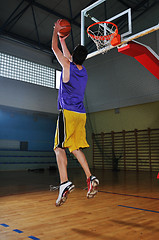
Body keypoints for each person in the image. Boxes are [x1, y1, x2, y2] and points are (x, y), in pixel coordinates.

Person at [52, 19, 99, 207]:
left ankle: (64, 182)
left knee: (58, 147)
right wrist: (63, 39)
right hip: (81, 115)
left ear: (73, 57)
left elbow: (54, 49)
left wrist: (56, 32)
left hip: (68, 114)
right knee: (75, 148)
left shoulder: (67, 67)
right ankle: (90, 177)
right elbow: (68, 56)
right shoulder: (83, 71)